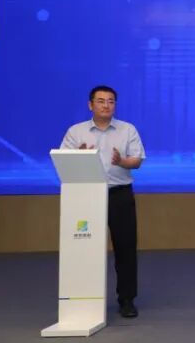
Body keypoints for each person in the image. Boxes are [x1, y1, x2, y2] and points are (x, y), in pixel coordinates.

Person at [60, 86, 145, 319]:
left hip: (119, 194)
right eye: (100, 101)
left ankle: (127, 300)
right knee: (83, 247)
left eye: (111, 101)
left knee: (125, 249)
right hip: (85, 196)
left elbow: (137, 160)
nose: (106, 105)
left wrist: (122, 162)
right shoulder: (76, 132)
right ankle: (83, 299)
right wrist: (78, 157)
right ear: (90, 105)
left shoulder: (127, 129)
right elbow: (63, 160)